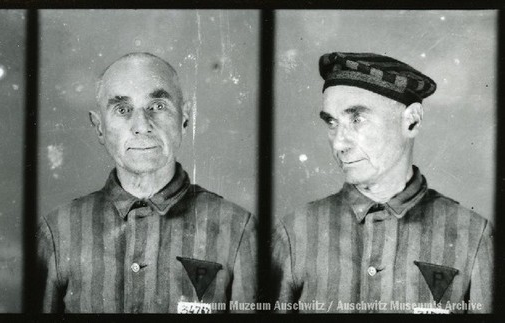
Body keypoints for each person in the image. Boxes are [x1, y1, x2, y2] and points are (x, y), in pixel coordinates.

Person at [270, 52, 493, 313]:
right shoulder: (295, 232)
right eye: (332, 122)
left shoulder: (473, 236)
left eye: (357, 119)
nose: (339, 143)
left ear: (412, 120)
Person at [38, 52, 257, 313]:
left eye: (158, 106)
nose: (142, 125)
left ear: (185, 117)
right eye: (122, 109)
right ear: (99, 127)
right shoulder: (57, 231)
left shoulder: (236, 228)